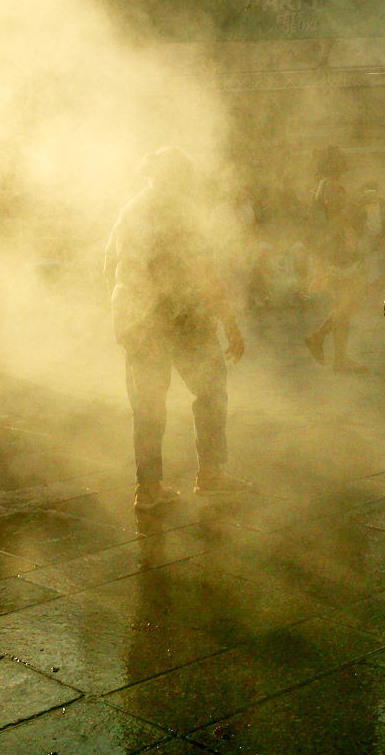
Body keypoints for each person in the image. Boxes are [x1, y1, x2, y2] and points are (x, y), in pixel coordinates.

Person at [104, 147, 248, 513]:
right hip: (182, 318)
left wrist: (125, 307)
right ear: (179, 178)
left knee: (148, 406)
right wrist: (230, 323)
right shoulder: (179, 213)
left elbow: (108, 263)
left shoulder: (129, 210)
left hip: (136, 318)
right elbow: (203, 274)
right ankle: (211, 475)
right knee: (211, 390)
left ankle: (148, 488)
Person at [304, 146, 368, 370]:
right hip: (337, 254)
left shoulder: (324, 185)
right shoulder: (330, 185)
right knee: (351, 301)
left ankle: (340, 359)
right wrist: (349, 232)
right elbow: (335, 215)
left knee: (344, 305)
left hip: (333, 251)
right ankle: (318, 337)